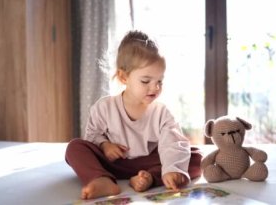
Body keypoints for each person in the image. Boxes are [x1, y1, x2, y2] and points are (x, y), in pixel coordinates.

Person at [65, 30, 202, 200]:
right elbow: (92, 135)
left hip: (148, 163)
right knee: (75, 147)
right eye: (146, 81)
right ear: (124, 77)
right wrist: (105, 145)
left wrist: (172, 169)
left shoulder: (161, 112)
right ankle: (101, 179)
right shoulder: (104, 107)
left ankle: (148, 178)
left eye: (160, 81)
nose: (155, 88)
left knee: (194, 156)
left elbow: (172, 144)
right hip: (113, 164)